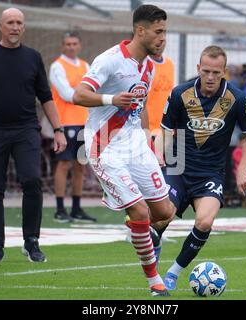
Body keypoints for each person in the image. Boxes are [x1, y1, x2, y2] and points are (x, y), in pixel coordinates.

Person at [73, 4, 176, 297]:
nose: (163, 38)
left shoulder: (149, 67)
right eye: (158, 32)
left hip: (135, 144)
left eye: (165, 32)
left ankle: (136, 227)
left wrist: (148, 142)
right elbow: (78, 94)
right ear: (140, 30)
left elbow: (139, 108)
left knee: (166, 211)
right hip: (105, 146)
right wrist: (111, 98)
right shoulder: (110, 60)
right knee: (142, 210)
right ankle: (155, 282)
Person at [0, 8, 67, 263]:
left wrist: (58, 130)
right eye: (10, 22)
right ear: (0, 26)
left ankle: (31, 242)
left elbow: (46, 97)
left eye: (19, 22)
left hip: (25, 130)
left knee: (32, 181)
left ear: (24, 27)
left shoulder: (33, 57)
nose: (15, 27)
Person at [153, 45, 246, 291]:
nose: (210, 78)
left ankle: (173, 272)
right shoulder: (180, 94)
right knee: (161, 216)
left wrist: (243, 169)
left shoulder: (237, 99)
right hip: (178, 168)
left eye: (216, 73)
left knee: (204, 221)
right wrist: (158, 156)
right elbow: (165, 132)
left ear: (224, 72)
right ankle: (154, 254)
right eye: (206, 71)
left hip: (210, 173)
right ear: (198, 68)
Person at [49, 31, 96, 223]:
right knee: (63, 164)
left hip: (84, 122)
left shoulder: (86, 65)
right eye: (67, 43)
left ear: (79, 46)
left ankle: (76, 208)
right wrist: (85, 95)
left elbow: (94, 89)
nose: (71, 46)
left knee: (80, 166)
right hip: (64, 123)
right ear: (63, 46)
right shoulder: (57, 66)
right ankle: (60, 208)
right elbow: (67, 93)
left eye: (74, 43)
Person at [146, 41, 175, 138]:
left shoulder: (169, 64)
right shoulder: (144, 64)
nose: (159, 42)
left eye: (162, 40)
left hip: (165, 128)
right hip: (147, 129)